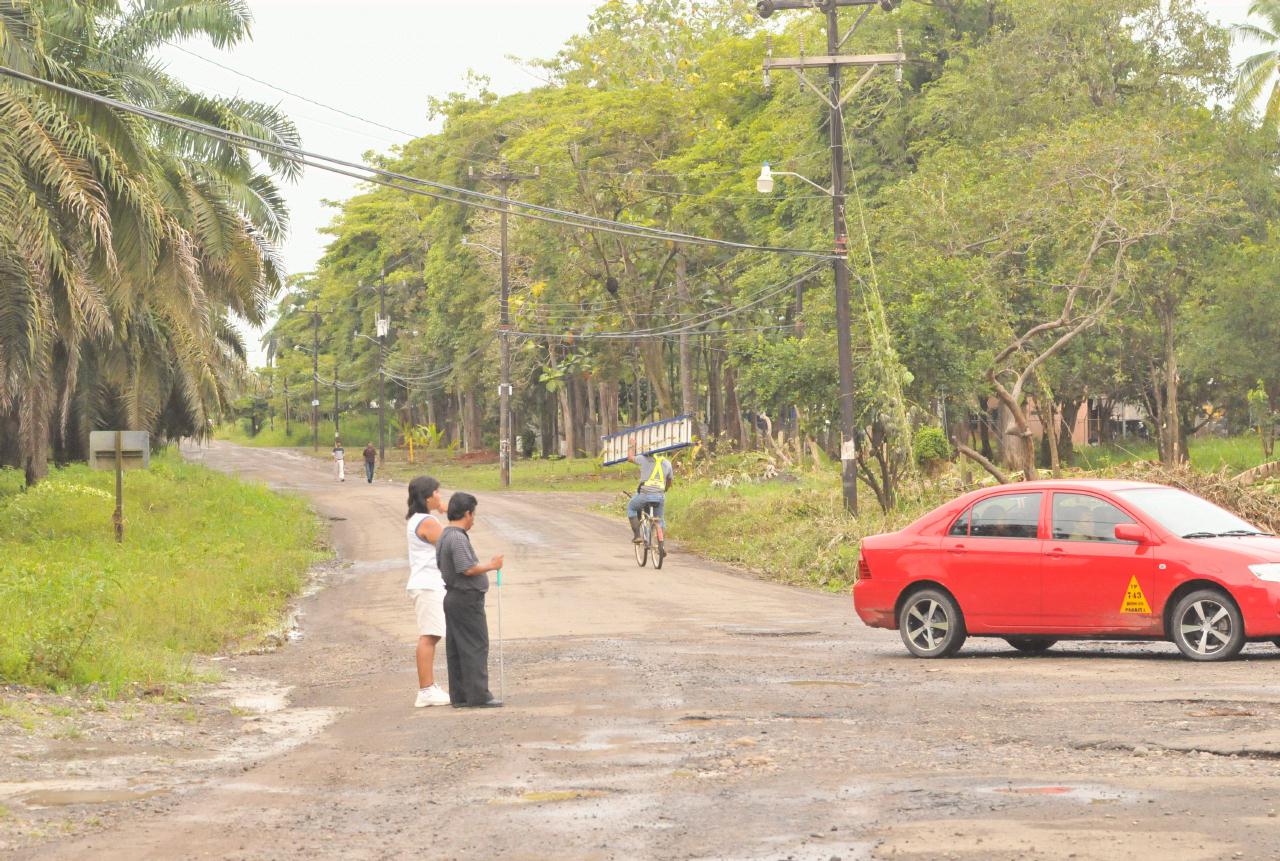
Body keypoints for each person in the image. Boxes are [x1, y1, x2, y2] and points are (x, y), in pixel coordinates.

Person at [438, 492, 504, 708]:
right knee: (475, 645)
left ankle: (461, 695)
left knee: (457, 647)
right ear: (467, 513)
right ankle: (478, 695)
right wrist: (491, 566)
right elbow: (467, 568)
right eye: (473, 514)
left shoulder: (445, 535)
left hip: (455, 598)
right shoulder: (456, 537)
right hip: (465, 597)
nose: (474, 519)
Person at [405, 476, 451, 708]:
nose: (440, 496)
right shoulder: (427, 521)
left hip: (427, 583)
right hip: (428, 584)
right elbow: (450, 543)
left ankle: (428, 688)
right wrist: (449, 513)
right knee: (430, 636)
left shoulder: (418, 519)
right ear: (427, 497)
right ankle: (425, 690)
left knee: (432, 634)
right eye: (437, 492)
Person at [626, 441, 673, 549]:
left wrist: (631, 444)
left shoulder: (643, 459)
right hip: (660, 497)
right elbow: (669, 481)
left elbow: (629, 458)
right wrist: (663, 490)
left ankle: (637, 536)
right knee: (659, 519)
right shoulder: (667, 463)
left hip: (645, 495)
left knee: (631, 507)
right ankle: (661, 546)